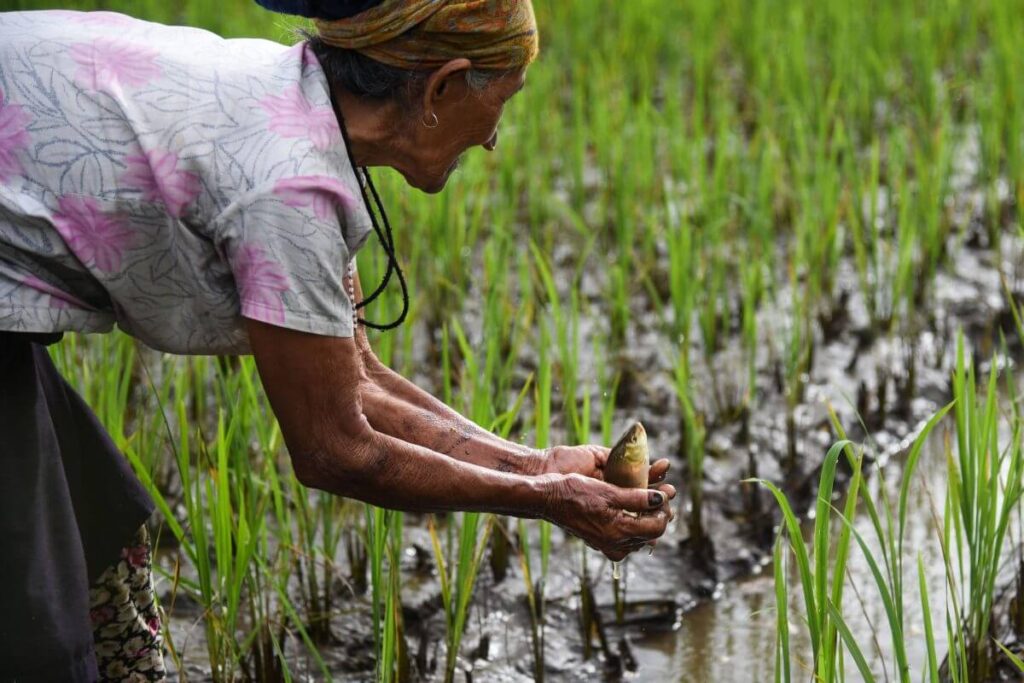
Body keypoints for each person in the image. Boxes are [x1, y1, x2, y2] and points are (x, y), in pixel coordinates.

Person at [0, 1, 675, 680]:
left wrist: (538, 466)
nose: (496, 137)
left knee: (98, 531)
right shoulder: (291, 184)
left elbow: (359, 380)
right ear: (442, 86)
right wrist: (552, 500)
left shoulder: (304, 115)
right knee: (40, 628)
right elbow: (334, 448)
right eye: (504, 97)